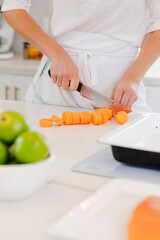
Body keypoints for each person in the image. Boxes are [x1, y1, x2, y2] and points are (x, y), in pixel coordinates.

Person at [2, 0, 160, 111]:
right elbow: (13, 7)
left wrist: (133, 79)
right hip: (60, 81)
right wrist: (58, 55)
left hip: (122, 88)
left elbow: (157, 27)